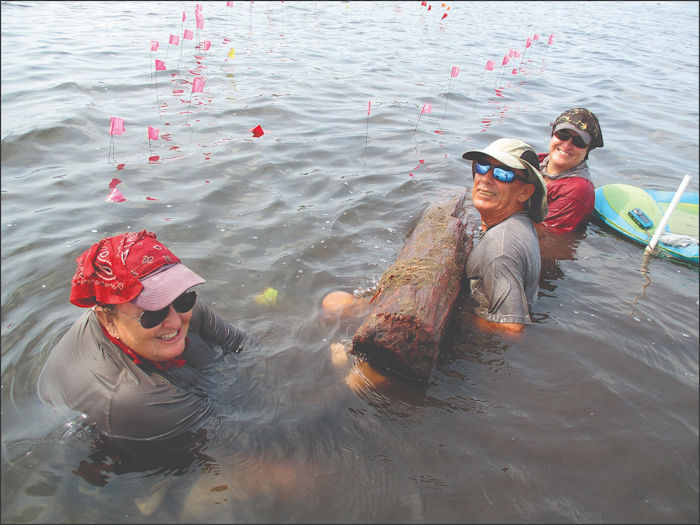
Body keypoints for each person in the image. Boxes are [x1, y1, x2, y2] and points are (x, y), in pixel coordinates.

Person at [38, 230, 246, 446]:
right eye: (153, 313)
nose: (175, 321)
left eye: (182, 298)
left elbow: (243, 346)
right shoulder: (133, 398)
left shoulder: (171, 308)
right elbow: (232, 439)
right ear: (108, 320)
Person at [461, 138, 548, 336]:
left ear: (525, 192)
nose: (485, 178)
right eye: (482, 167)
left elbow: (512, 329)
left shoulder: (501, 248)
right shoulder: (521, 224)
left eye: (503, 174)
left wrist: (460, 319)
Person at [538, 107, 604, 233]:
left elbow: (544, 236)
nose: (567, 145)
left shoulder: (577, 191)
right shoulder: (537, 161)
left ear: (587, 150)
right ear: (553, 134)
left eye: (578, 141)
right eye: (563, 134)